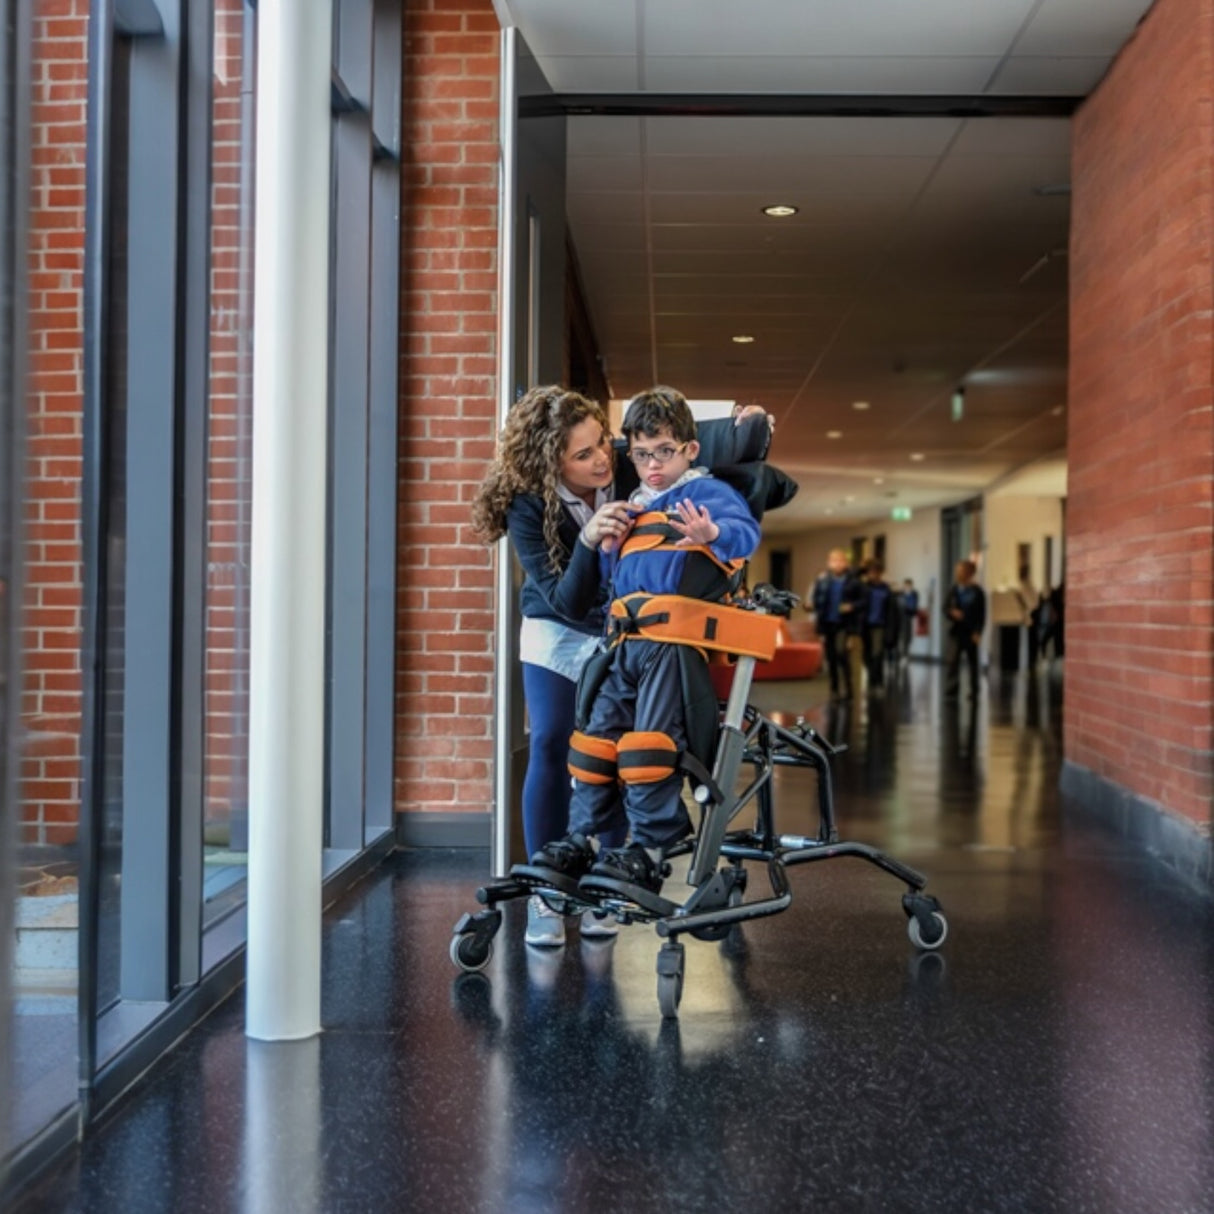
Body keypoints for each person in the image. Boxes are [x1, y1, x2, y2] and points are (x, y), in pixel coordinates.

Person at [471, 386, 773, 947]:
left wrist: (747, 423)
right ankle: (550, 891)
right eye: (583, 456)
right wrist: (590, 540)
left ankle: (608, 875)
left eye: (602, 447)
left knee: (620, 740)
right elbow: (564, 598)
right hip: (560, 626)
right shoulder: (527, 505)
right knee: (557, 741)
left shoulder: (638, 463)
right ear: (551, 462)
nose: (602, 461)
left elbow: (680, 440)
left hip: (629, 629)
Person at [810, 549, 862, 701]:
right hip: (827, 623)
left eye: (840, 560)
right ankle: (834, 689)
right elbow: (817, 600)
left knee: (841, 654)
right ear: (829, 563)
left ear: (846, 563)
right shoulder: (823, 581)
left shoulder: (854, 582)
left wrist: (852, 606)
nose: (837, 564)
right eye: (834, 560)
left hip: (844, 624)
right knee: (831, 657)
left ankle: (848, 688)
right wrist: (812, 606)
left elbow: (863, 602)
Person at [943, 559, 986, 700]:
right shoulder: (954, 590)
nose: (958, 574)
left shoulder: (977, 592)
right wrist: (952, 612)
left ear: (968, 573)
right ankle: (952, 688)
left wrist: (978, 632)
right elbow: (945, 608)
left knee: (973, 661)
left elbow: (981, 614)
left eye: (960, 571)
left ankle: (974, 690)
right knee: (953, 660)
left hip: (971, 631)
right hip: (956, 630)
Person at [859, 559, 898, 693]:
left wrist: (892, 630)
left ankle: (878, 682)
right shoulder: (864, 588)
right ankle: (872, 679)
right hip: (865, 626)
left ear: (880, 573)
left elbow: (892, 611)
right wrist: (862, 568)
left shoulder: (886, 589)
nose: (873, 575)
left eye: (876, 572)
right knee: (867, 655)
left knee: (878, 653)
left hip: (880, 625)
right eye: (870, 572)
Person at [899, 578, 919, 661]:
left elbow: (913, 607)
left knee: (908, 636)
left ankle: (905, 654)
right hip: (901, 617)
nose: (908, 587)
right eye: (906, 585)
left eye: (909, 585)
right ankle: (902, 654)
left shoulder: (914, 594)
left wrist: (908, 607)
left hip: (909, 617)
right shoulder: (901, 594)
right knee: (902, 636)